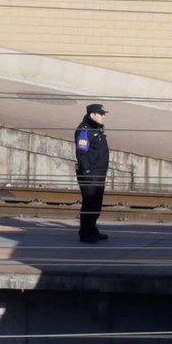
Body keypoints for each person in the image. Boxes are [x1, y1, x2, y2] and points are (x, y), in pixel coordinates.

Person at [75, 103, 110, 243]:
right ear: (92, 115)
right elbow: (82, 154)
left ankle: (93, 230)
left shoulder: (95, 128)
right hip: (90, 174)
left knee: (96, 204)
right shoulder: (84, 130)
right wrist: (87, 172)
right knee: (89, 204)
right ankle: (85, 233)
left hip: (99, 173)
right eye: (101, 114)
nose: (103, 117)